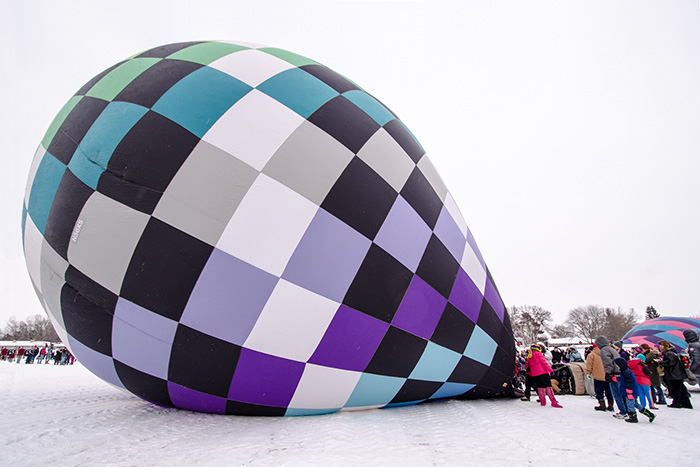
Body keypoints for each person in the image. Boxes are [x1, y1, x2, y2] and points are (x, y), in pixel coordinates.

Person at [615, 357, 656, 423]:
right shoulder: (624, 371)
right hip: (630, 391)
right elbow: (622, 379)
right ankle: (650, 415)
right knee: (635, 404)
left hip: (630, 392)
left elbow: (629, 382)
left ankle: (633, 417)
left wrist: (629, 392)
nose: (616, 366)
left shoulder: (626, 372)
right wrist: (614, 379)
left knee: (630, 405)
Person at [595, 336, 626, 419]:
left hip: (613, 374)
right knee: (621, 392)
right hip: (619, 372)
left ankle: (623, 411)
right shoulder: (611, 349)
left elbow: (608, 362)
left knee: (616, 393)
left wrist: (608, 373)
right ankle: (626, 409)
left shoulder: (604, 350)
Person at [658, 340, 693, 409]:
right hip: (677, 374)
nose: (660, 347)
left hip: (673, 374)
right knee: (681, 389)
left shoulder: (669, 353)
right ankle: (685, 403)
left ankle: (677, 403)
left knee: (676, 389)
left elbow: (670, 363)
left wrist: (661, 362)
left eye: (661, 345)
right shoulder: (673, 352)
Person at [585, 343, 614, 412]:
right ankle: (610, 405)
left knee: (599, 391)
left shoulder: (592, 355)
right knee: (609, 391)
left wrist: (588, 372)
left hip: (598, 376)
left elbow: (589, 365)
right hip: (608, 375)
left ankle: (602, 404)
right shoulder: (608, 353)